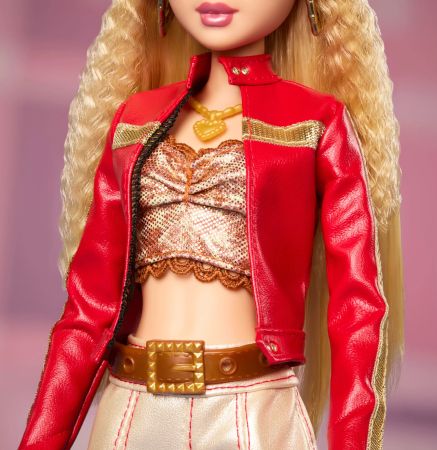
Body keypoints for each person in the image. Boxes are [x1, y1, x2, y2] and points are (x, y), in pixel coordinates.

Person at [19, 1, 404, 449]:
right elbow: (88, 313)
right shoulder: (135, 120)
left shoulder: (315, 123)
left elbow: (357, 307)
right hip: (131, 409)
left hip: (251, 415)